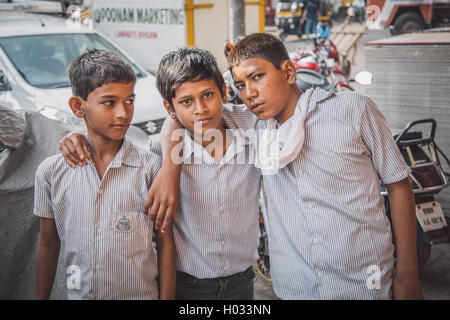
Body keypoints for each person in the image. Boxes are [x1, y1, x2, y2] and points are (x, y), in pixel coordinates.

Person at [151, 33, 424, 300]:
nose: (250, 94)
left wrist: (408, 274)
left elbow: (399, 184)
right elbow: (182, 113)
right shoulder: (254, 126)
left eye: (258, 77)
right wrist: (169, 166)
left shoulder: (352, 110)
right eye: (241, 85)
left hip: (365, 282)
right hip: (295, 288)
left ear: (289, 72)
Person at [58, 47, 261, 300]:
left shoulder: (254, 132)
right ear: (170, 108)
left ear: (223, 92)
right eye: (187, 101)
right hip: (188, 285)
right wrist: (76, 137)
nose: (200, 109)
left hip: (242, 282)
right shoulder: (158, 155)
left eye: (208, 95)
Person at [33, 49, 176, 300]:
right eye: (109, 102)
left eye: (129, 101)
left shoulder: (151, 169)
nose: (123, 113)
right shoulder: (51, 173)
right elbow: (47, 244)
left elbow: (165, 244)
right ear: (78, 107)